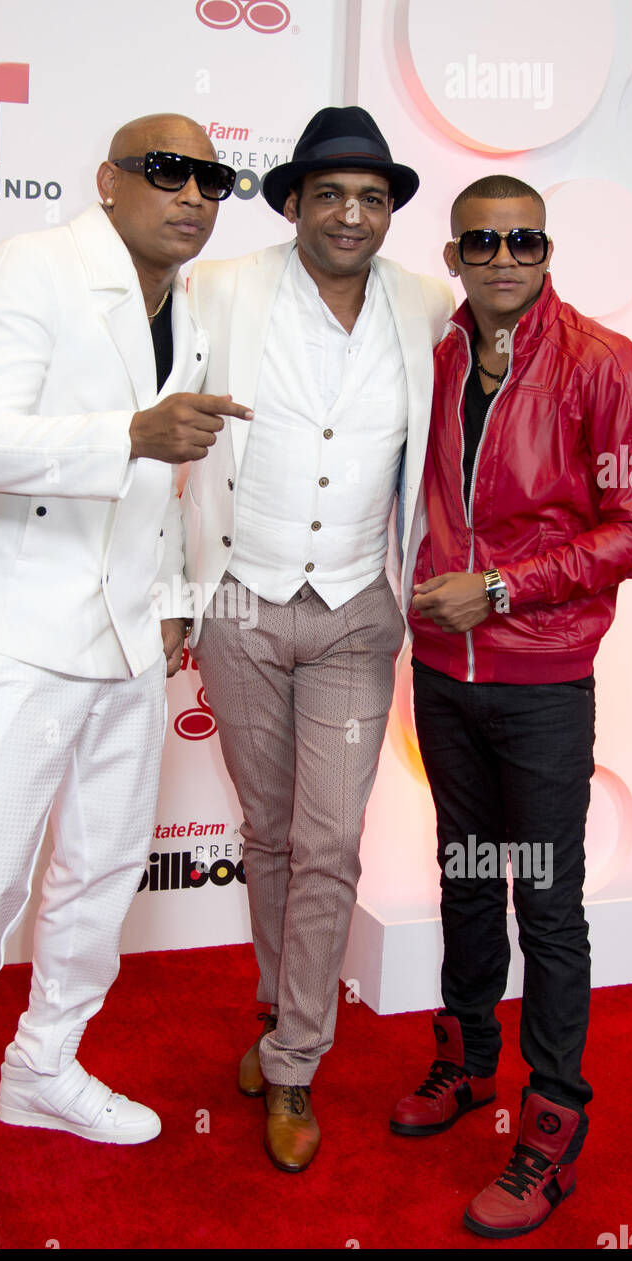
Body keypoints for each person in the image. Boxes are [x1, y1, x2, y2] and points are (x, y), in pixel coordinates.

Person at [0, 114, 250, 1248]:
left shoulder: (190, 301)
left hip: (129, 630)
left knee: (101, 871)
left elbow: (176, 479)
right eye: (167, 171)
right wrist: (126, 432)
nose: (192, 194)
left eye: (213, 178)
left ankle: (44, 1063)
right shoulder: (30, 266)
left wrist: (176, 588)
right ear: (109, 180)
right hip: (13, 628)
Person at [392, 174, 632, 1237]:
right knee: (466, 875)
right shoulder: (432, 356)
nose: (504, 258)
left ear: (548, 250)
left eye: (523, 241)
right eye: (482, 242)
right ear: (454, 256)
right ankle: (469, 1057)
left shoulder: (606, 363)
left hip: (543, 681)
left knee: (546, 903)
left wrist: (504, 589)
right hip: (440, 672)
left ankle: (553, 1129)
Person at [182, 106, 452, 1173]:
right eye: (331, 194)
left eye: (372, 198)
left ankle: (294, 1060)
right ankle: (275, 1009)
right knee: (270, 834)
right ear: (292, 201)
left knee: (331, 841)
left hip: (354, 609)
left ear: (390, 214)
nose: (351, 214)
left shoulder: (426, 304)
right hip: (238, 601)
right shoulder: (220, 289)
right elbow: (163, 435)